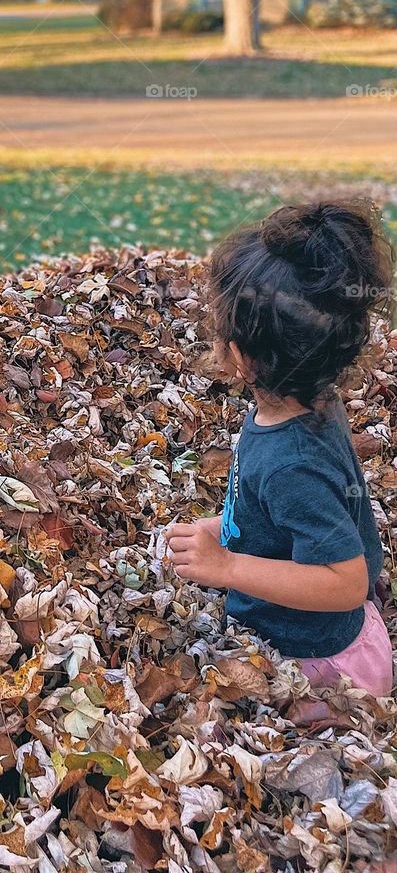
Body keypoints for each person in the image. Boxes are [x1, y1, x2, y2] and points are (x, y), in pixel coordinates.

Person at [166, 201, 394, 696]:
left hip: (321, 668)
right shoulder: (309, 402)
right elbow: (291, 514)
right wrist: (225, 529)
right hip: (309, 639)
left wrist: (226, 567)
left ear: (244, 358)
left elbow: (346, 583)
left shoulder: (291, 460)